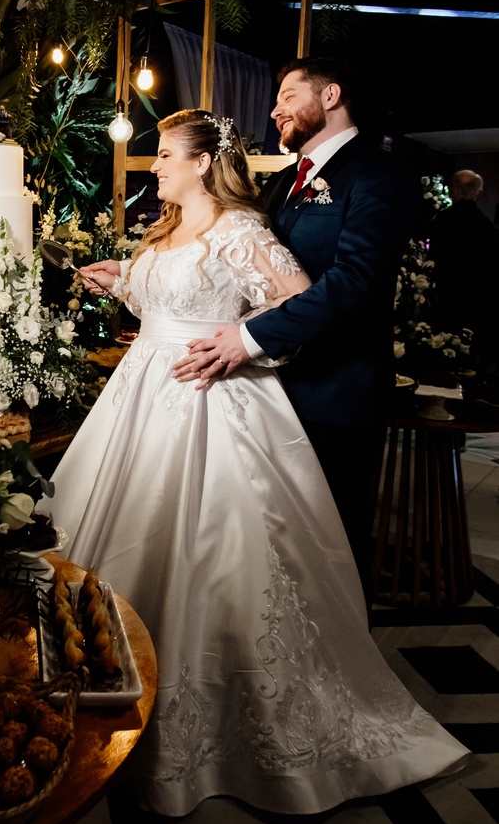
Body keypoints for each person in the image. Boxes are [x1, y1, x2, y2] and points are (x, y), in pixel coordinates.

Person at [51, 109, 467, 819]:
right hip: (137, 397)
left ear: (201, 164)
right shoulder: (163, 229)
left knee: (213, 552)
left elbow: (295, 302)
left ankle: (217, 716)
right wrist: (122, 279)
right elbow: (168, 296)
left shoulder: (241, 228)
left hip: (208, 399)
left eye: (166, 155)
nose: (156, 165)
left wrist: (238, 343)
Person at [176, 59, 413, 597]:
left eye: (287, 95)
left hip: (337, 393)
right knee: (272, 544)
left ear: (330, 96)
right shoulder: (284, 182)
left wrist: (249, 339)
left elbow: (354, 281)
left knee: (331, 549)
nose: (274, 110)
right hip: (268, 392)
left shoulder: (378, 174)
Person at [428, 169, 499, 359]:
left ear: (453, 190)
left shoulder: (442, 220)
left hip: (444, 294)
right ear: (478, 192)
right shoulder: (486, 226)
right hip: (475, 299)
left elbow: (433, 258)